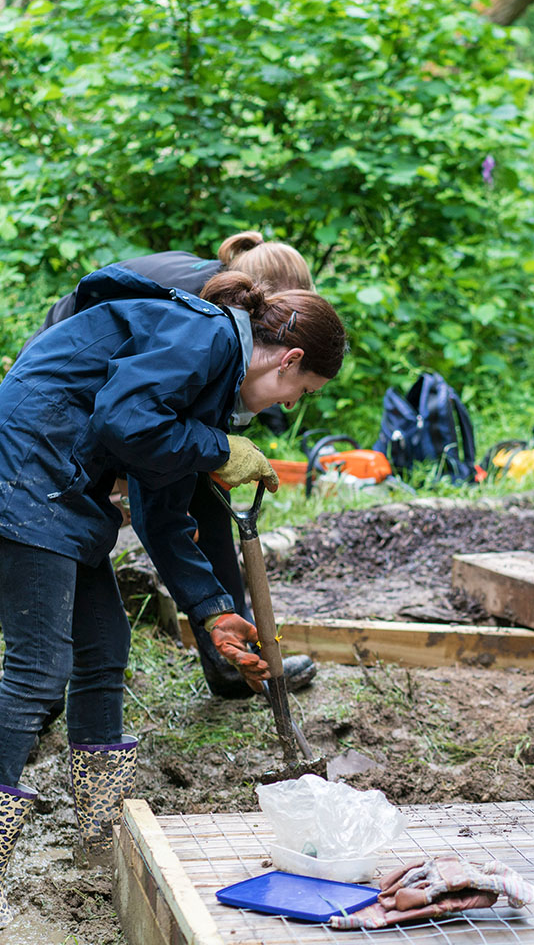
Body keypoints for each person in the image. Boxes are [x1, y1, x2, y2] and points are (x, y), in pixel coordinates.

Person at [0, 265, 346, 924]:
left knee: (104, 644)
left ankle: (103, 838)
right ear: (290, 358)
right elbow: (123, 419)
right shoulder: (205, 336)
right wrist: (217, 448)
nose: (283, 406)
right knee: (39, 670)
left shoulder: (209, 382)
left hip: (58, 490)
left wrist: (216, 612)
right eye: (296, 391)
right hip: (23, 477)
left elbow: (161, 512)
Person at [28, 231, 319, 700]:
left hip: (116, 402)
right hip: (54, 405)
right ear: (269, 315)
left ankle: (226, 644)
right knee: (46, 625)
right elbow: (138, 432)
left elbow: (167, 476)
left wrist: (212, 609)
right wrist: (214, 449)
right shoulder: (203, 320)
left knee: (198, 481)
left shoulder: (234, 323)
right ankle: (35, 693)